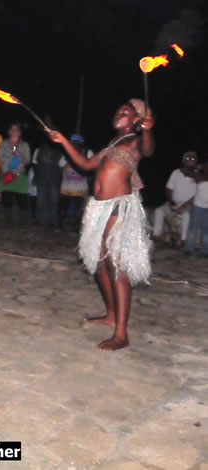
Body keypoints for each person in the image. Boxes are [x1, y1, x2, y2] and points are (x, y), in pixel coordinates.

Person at [48, 99, 154, 351]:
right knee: (98, 264)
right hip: (99, 208)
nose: (119, 112)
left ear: (137, 120)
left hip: (119, 208)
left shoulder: (136, 142)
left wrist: (148, 129)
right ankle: (111, 314)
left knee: (116, 266)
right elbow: (85, 165)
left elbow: (149, 149)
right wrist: (63, 141)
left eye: (126, 112)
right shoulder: (112, 145)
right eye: (118, 109)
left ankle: (121, 333)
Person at [152, 151, 198, 246]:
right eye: (187, 158)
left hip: (189, 204)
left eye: (192, 159)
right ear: (183, 161)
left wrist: (184, 206)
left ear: (196, 162)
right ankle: (157, 235)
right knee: (158, 211)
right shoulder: (176, 173)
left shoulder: (198, 175)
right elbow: (169, 188)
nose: (190, 160)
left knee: (186, 214)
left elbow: (198, 194)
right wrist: (170, 201)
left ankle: (183, 239)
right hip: (175, 201)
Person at [0, 122, 32, 228]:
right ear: (9, 131)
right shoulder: (3, 144)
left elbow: (27, 161)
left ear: (20, 132)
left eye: (16, 129)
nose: (14, 131)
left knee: (23, 201)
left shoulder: (24, 145)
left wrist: (19, 155)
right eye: (11, 129)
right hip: (6, 175)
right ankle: (9, 223)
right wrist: (1, 172)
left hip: (19, 175)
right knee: (7, 200)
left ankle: (24, 224)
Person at [58, 134, 94, 231]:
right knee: (63, 208)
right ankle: (59, 227)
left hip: (81, 187)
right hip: (67, 187)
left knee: (79, 210)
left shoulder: (88, 153)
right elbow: (60, 165)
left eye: (77, 143)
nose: (75, 145)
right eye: (73, 143)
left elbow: (93, 167)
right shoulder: (67, 153)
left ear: (81, 144)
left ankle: (77, 230)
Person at [32, 138, 63, 227]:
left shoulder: (59, 152)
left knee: (53, 200)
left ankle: (52, 221)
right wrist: (35, 176)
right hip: (42, 178)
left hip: (54, 180)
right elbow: (34, 164)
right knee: (41, 200)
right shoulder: (39, 150)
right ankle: (40, 220)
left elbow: (61, 166)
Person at [184, 157, 208, 256]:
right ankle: (189, 249)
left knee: (206, 231)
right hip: (197, 206)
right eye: (206, 166)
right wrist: (196, 168)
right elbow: (185, 171)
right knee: (193, 229)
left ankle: (205, 251)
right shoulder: (198, 176)